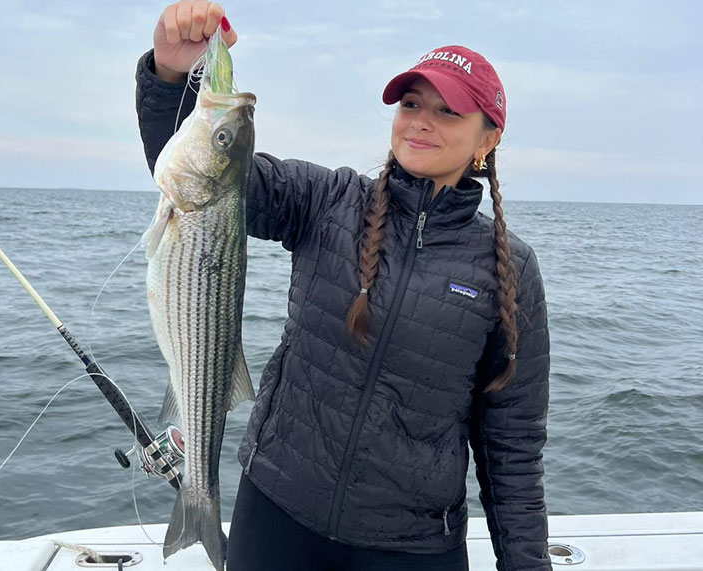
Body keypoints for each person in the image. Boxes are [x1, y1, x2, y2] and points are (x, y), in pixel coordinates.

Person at [136, 2, 552, 570]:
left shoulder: (510, 270)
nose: (421, 120)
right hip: (276, 512)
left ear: (488, 138)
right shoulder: (328, 200)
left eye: (448, 110)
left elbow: (513, 448)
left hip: (411, 545)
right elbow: (210, 176)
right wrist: (172, 77)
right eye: (410, 104)